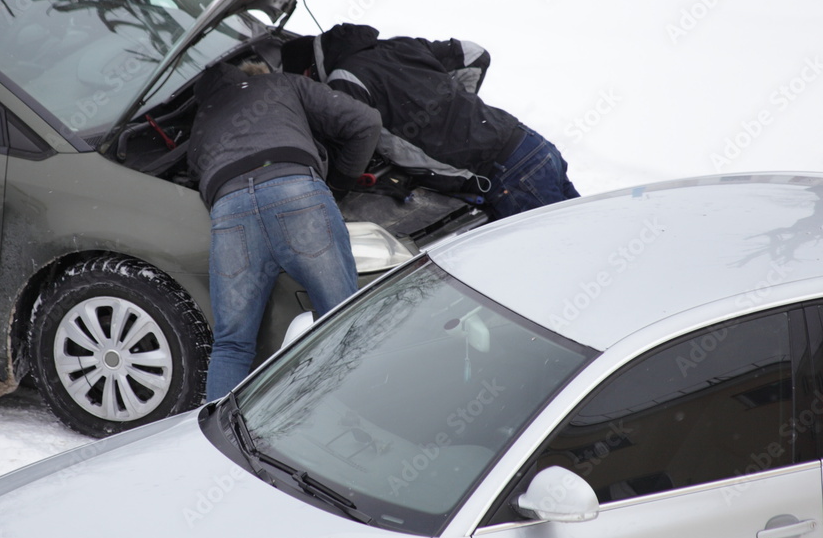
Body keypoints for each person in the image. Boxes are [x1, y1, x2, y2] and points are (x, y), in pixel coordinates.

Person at [188, 60, 381, 401]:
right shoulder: (282, 83)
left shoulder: (201, 121)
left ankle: (212, 441)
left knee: (232, 344)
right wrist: (339, 183)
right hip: (296, 192)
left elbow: (196, 171)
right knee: (344, 322)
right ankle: (355, 408)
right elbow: (366, 122)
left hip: (229, 208)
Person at [281, 23, 578, 220]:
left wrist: (335, 187)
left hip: (508, 176)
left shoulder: (343, 80)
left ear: (308, 73)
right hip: (530, 145)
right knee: (595, 239)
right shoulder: (398, 46)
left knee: (561, 260)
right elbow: (474, 55)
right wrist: (454, 107)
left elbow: (359, 135)